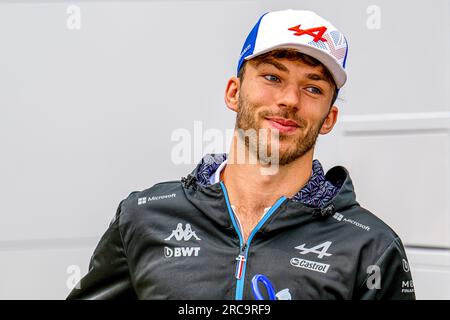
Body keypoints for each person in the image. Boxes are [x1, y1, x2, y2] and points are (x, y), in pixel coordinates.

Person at [67, 9, 415, 300]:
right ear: (234, 93)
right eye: (272, 77)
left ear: (329, 118)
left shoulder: (372, 247)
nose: (290, 100)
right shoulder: (143, 218)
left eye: (312, 87)